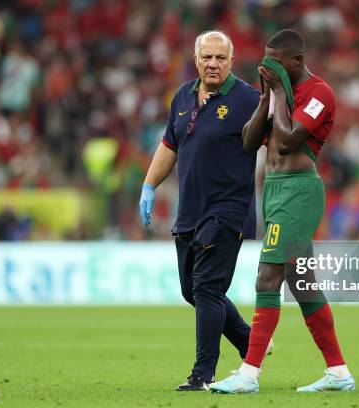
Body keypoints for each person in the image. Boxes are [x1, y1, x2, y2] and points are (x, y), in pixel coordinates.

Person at [210, 29, 355, 393]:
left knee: (267, 276)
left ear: (297, 60)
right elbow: (248, 142)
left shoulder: (319, 93)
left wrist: (277, 93)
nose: (268, 66)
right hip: (273, 192)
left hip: (298, 192)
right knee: (303, 286)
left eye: (276, 61)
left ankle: (249, 375)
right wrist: (265, 98)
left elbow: (290, 138)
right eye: (265, 59)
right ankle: (338, 373)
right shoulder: (276, 93)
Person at [139, 30, 268, 391]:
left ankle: (202, 374)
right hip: (190, 211)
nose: (213, 64)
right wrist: (149, 185)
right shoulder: (182, 95)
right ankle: (250, 343)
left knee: (208, 289)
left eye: (220, 58)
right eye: (207, 57)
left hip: (228, 210)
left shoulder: (248, 99)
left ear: (231, 60)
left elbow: (279, 140)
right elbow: (169, 145)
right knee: (191, 291)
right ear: (196, 59)